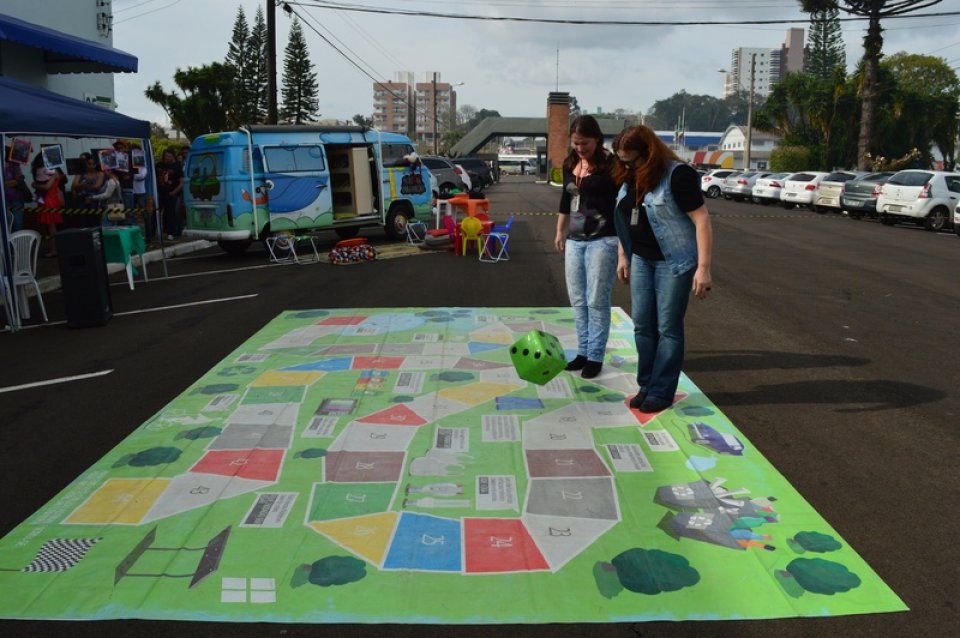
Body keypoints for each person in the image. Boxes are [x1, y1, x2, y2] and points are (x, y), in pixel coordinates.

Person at [612, 125, 713, 413]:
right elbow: (624, 218)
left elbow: (702, 220)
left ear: (648, 153)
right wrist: (623, 255)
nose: (626, 166)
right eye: (622, 160)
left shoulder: (677, 175)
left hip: (673, 261)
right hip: (641, 259)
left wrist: (703, 268)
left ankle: (662, 390)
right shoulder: (629, 175)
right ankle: (646, 385)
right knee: (643, 325)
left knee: (668, 327)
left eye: (630, 160)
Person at [555, 115, 620, 379]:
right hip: (575, 239)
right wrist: (560, 230)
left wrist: (626, 244)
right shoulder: (570, 164)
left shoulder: (612, 165)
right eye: (576, 143)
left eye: (585, 143)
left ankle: (595, 356)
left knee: (596, 300)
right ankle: (582, 351)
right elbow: (565, 199)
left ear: (597, 139)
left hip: (604, 239)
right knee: (577, 298)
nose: (580, 148)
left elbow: (623, 202)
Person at [31, 153, 65, 257]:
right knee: (50, 227)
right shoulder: (54, 171)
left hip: (48, 200)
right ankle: (53, 248)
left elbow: (47, 187)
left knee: (51, 227)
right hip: (51, 199)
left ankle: (54, 249)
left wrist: (34, 185)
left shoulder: (52, 172)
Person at [155, 148, 184, 240]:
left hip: (171, 193)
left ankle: (171, 232)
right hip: (159, 192)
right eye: (166, 156)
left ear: (173, 157)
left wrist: (173, 192)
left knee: (171, 213)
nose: (167, 158)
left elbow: (181, 182)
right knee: (156, 212)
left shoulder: (177, 167)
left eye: (170, 156)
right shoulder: (159, 165)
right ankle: (155, 232)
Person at [3, 151, 31, 232]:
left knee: (17, 222)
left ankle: (18, 239)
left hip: (16, 197)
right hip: (3, 198)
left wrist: (3, 183)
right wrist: (9, 183)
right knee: (6, 222)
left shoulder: (14, 165)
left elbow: (17, 181)